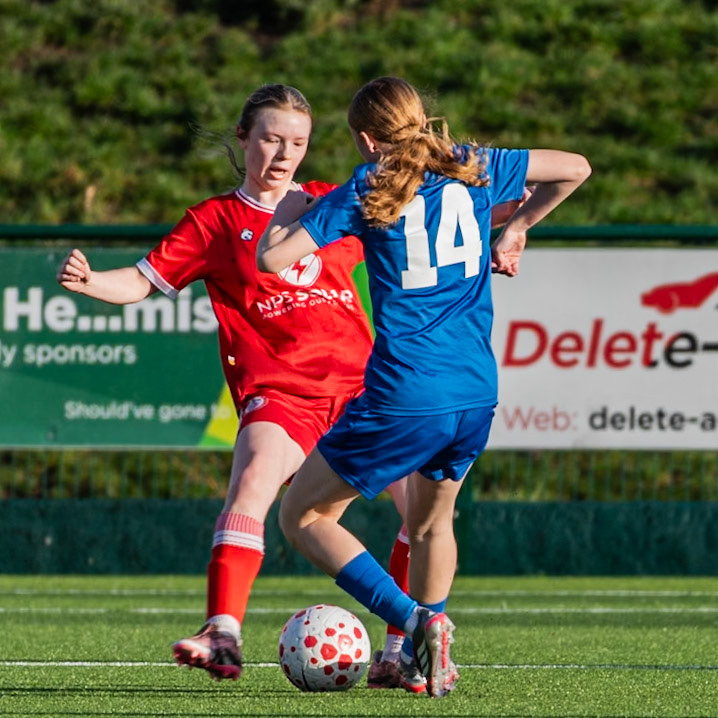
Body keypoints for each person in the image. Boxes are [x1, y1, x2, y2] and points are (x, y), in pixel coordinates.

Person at [55, 83, 414, 684]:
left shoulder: (333, 201)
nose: (283, 153)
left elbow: (420, 227)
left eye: (297, 142)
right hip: (283, 394)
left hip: (364, 391)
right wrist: (91, 281)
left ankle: (400, 653)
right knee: (250, 484)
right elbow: (141, 282)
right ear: (244, 138)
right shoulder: (215, 221)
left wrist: (503, 226)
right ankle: (222, 632)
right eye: (271, 139)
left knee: (422, 510)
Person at [256, 76, 591, 697]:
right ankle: (420, 665)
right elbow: (575, 168)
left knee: (301, 515)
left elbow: (272, 260)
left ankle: (416, 621)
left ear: (365, 139)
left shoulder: (368, 186)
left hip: (405, 393)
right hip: (475, 392)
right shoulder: (473, 165)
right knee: (432, 524)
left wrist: (286, 210)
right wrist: (518, 227)